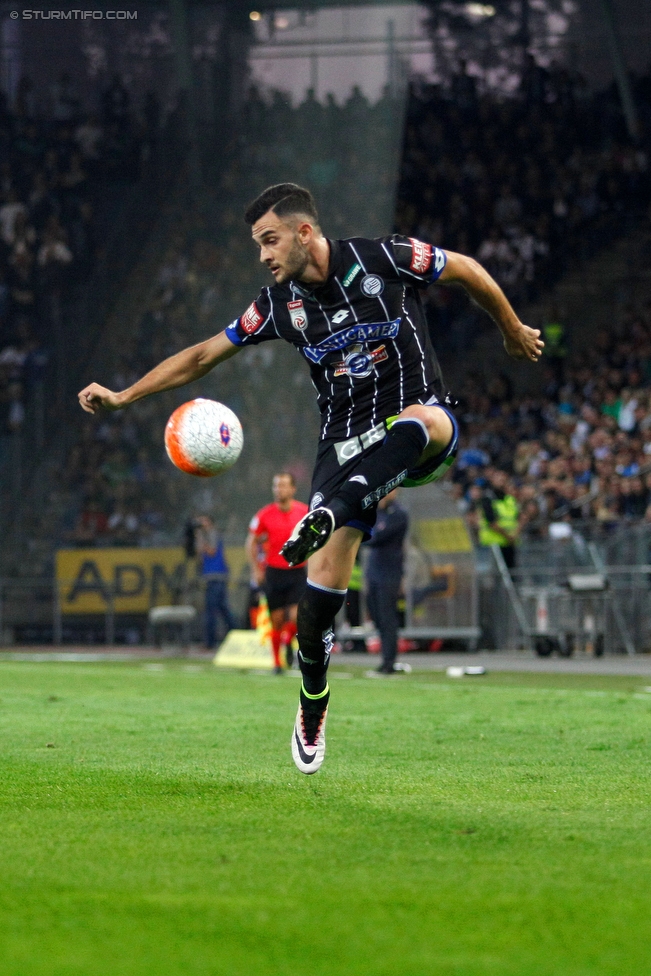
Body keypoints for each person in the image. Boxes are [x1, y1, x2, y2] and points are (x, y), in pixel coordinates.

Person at [78, 182, 543, 775]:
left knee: (422, 422)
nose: (263, 255)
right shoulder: (275, 306)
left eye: (269, 240)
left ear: (304, 233)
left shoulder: (385, 258)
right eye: (257, 245)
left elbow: (469, 270)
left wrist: (509, 326)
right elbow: (201, 356)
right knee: (316, 607)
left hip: (419, 424)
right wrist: (124, 395)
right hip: (343, 447)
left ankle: (331, 510)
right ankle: (313, 701)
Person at [245, 472, 309, 674]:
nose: (278, 489)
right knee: (277, 620)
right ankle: (276, 663)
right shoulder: (264, 515)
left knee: (296, 616)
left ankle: (289, 641)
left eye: (283, 485)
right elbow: (251, 542)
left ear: (293, 489)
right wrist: (256, 568)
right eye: (276, 486)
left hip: (297, 571)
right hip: (274, 573)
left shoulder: (304, 512)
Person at [365, 488, 409, 674]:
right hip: (374, 573)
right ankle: (385, 659)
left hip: (389, 574)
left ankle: (389, 662)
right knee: (377, 617)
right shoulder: (378, 513)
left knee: (387, 618)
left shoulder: (399, 514)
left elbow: (374, 537)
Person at [192, 515, 235, 649]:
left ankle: (210, 642)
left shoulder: (213, 533)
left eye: (203, 521)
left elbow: (211, 551)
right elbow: (199, 554)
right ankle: (235, 633)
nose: (201, 524)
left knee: (211, 609)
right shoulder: (204, 535)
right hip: (211, 576)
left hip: (217, 575)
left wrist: (200, 538)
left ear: (210, 522)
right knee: (223, 608)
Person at [478, 469, 520, 571]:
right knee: (494, 573)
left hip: (509, 543)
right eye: (499, 479)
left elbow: (519, 518)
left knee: (511, 572)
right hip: (493, 544)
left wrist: (516, 533)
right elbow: (491, 522)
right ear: (492, 480)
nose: (501, 481)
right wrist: (509, 536)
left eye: (503, 479)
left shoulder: (509, 499)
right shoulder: (487, 498)